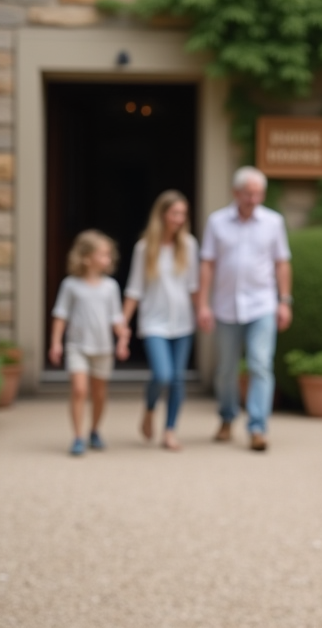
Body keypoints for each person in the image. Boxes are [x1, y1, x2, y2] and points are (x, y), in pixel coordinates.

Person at [196, 166, 292, 452]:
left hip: (262, 304)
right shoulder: (217, 222)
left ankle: (258, 427)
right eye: (249, 193)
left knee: (260, 364)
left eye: (258, 193)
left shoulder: (273, 222)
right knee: (226, 370)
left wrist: (285, 301)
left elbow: (282, 262)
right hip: (226, 307)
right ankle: (227, 417)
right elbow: (207, 263)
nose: (253, 199)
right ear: (236, 193)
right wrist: (202, 304)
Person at [124, 190, 200, 452]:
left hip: (182, 322)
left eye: (183, 214)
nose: (180, 219)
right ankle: (149, 407)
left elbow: (193, 286)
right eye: (175, 213)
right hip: (154, 322)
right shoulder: (145, 248)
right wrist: (123, 323)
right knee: (163, 375)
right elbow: (134, 289)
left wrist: (201, 311)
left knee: (178, 379)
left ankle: (170, 430)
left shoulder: (189, 245)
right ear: (162, 214)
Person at [49, 230, 129, 457]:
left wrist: (122, 338)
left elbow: (116, 318)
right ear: (86, 257)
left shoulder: (110, 287)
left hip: (103, 348)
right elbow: (61, 315)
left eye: (109, 254)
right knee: (79, 390)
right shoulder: (71, 285)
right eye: (103, 254)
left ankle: (94, 430)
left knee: (99, 394)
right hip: (77, 347)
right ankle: (77, 436)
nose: (108, 259)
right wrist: (56, 343)